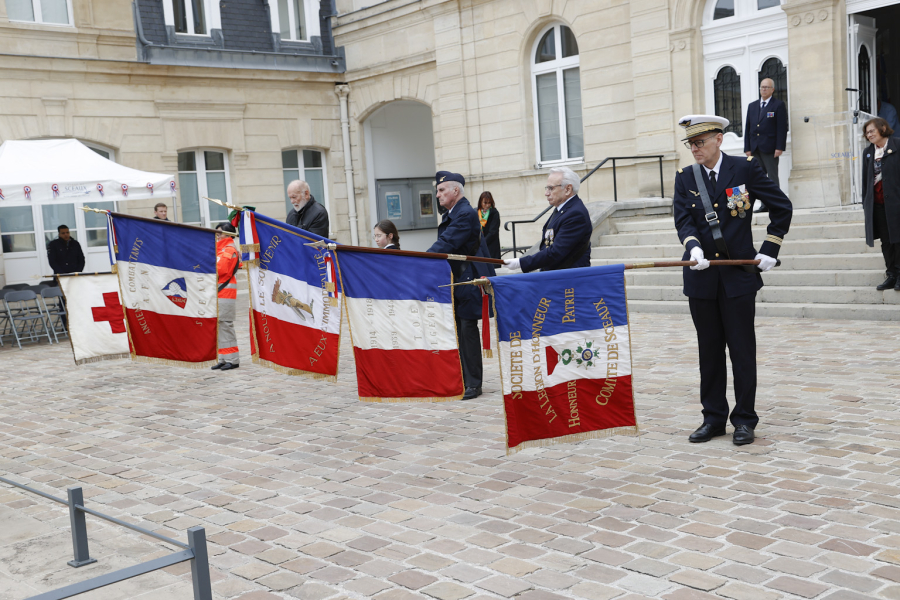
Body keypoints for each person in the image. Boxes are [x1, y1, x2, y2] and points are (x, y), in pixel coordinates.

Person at [674, 114, 792, 446]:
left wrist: (770, 246)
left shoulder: (745, 169)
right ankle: (712, 418)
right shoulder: (685, 177)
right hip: (701, 278)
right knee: (708, 352)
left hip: (738, 277)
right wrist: (693, 246)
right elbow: (683, 220)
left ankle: (744, 419)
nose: (694, 149)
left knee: (741, 351)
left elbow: (782, 207)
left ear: (718, 140)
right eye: (690, 143)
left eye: (699, 142)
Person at [427, 171, 495, 400]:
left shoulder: (464, 213)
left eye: (441, 190)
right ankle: (463, 379)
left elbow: (447, 243)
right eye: (437, 191)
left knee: (467, 330)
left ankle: (473, 384)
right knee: (458, 329)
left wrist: (417, 259)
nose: (438, 195)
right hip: (459, 280)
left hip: (470, 280)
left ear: (455, 190)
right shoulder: (454, 212)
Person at [502, 166, 592, 272]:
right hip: (557, 275)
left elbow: (556, 252)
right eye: (547, 188)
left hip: (569, 280)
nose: (546, 193)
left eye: (551, 188)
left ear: (568, 189)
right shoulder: (563, 209)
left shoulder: (575, 214)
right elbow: (548, 244)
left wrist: (521, 263)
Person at [862, 117, 900, 291]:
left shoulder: (897, 145)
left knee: (897, 239)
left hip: (896, 203)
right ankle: (891, 274)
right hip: (877, 204)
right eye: (867, 132)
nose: (869, 135)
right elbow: (865, 181)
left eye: (872, 131)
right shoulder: (868, 152)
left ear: (883, 128)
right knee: (886, 241)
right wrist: (866, 203)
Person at [743, 78, 788, 212]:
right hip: (755, 148)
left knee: (772, 177)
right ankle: (764, 205)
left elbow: (781, 128)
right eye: (762, 87)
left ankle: (775, 204)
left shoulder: (778, 105)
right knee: (758, 178)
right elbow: (748, 127)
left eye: (767, 87)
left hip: (770, 147)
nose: (763, 89)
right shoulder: (752, 106)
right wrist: (747, 148)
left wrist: (779, 147)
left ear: (772, 90)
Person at [212, 223, 240, 371]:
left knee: (225, 325)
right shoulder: (220, 249)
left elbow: (222, 270)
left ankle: (233, 359)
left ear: (228, 234)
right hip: (219, 292)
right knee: (220, 326)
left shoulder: (229, 249)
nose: (217, 235)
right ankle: (223, 358)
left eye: (220, 233)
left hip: (225, 293)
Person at [478, 192, 501, 259]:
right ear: (480, 202)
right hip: (479, 245)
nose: (487, 205)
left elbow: (493, 231)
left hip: (491, 245)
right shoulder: (476, 212)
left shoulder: (494, 213)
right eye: (485, 203)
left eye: (489, 203)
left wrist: (482, 243)